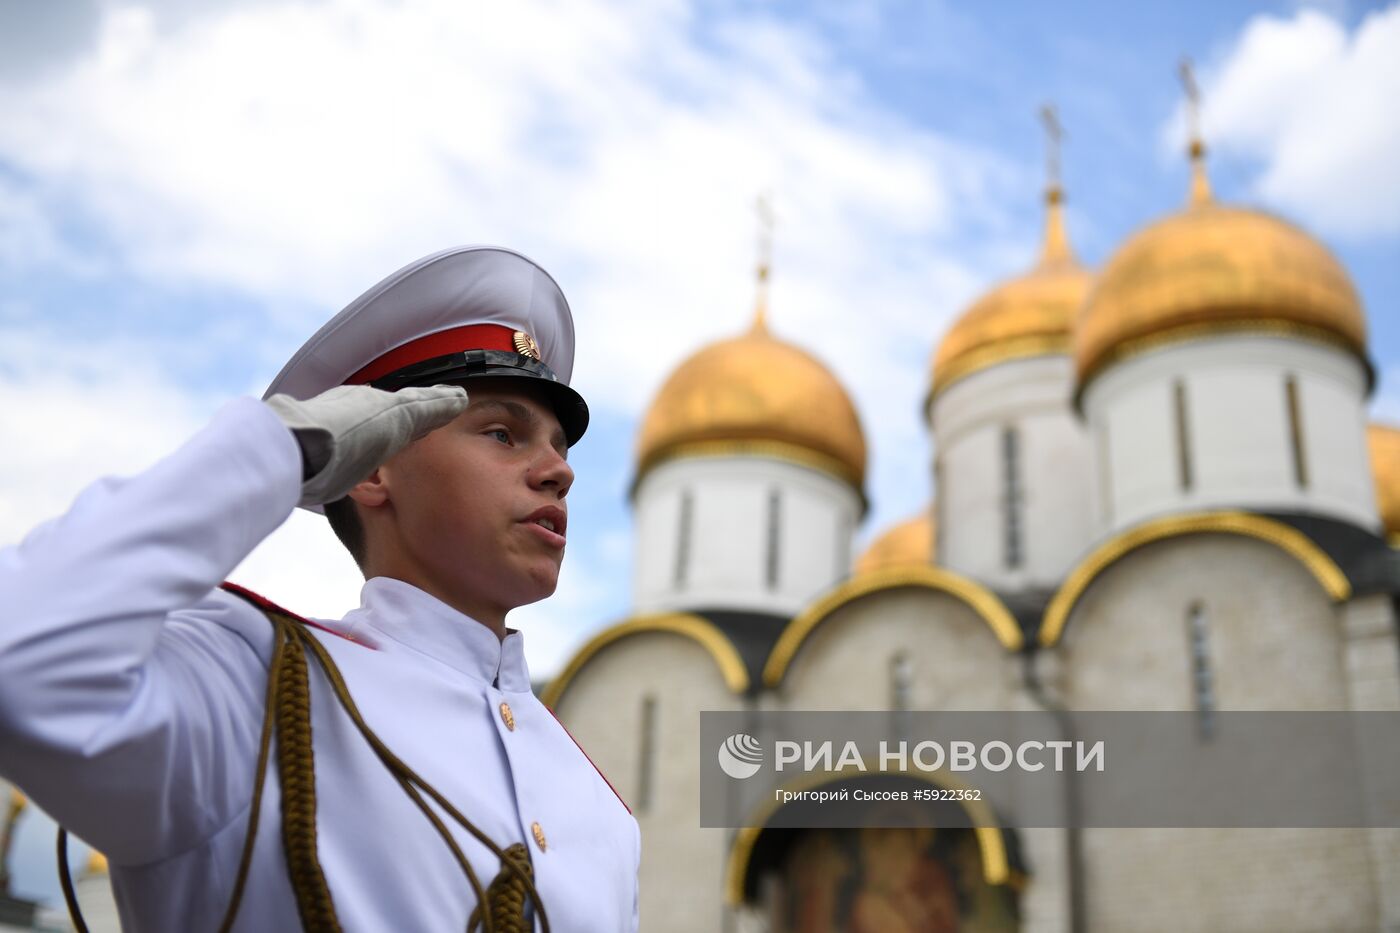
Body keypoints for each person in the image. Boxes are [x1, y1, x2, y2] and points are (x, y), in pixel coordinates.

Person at [0, 246, 640, 932]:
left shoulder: (600, 809)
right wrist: (279, 446)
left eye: (560, 447)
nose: (557, 471)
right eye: (503, 433)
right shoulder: (254, 689)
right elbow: (21, 655)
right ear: (371, 467)